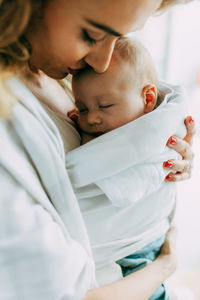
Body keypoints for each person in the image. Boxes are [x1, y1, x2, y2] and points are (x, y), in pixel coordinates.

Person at [0, 1, 195, 299]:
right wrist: (164, 267)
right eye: (91, 35)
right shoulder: (10, 118)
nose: (103, 63)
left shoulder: (63, 75)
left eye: (119, 37)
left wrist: (161, 154)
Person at [57, 37, 189, 299]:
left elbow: (116, 162)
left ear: (149, 98)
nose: (92, 117)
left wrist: (174, 155)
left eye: (104, 107)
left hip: (141, 243)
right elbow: (91, 164)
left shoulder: (148, 122)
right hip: (127, 253)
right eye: (81, 108)